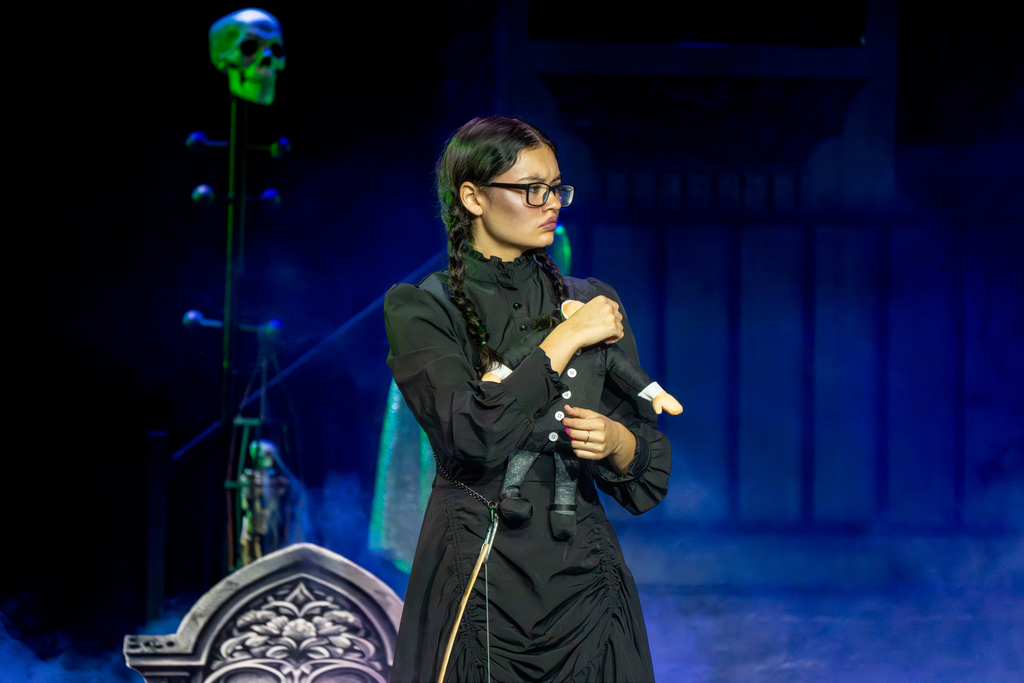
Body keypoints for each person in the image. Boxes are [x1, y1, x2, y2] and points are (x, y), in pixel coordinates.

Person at [384, 116, 671, 682]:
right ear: (473, 197)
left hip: (583, 572)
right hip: (478, 566)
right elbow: (472, 438)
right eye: (529, 189)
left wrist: (617, 442)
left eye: (556, 188)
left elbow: (649, 478)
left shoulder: (594, 301)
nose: (550, 203)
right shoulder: (421, 309)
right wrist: (563, 339)